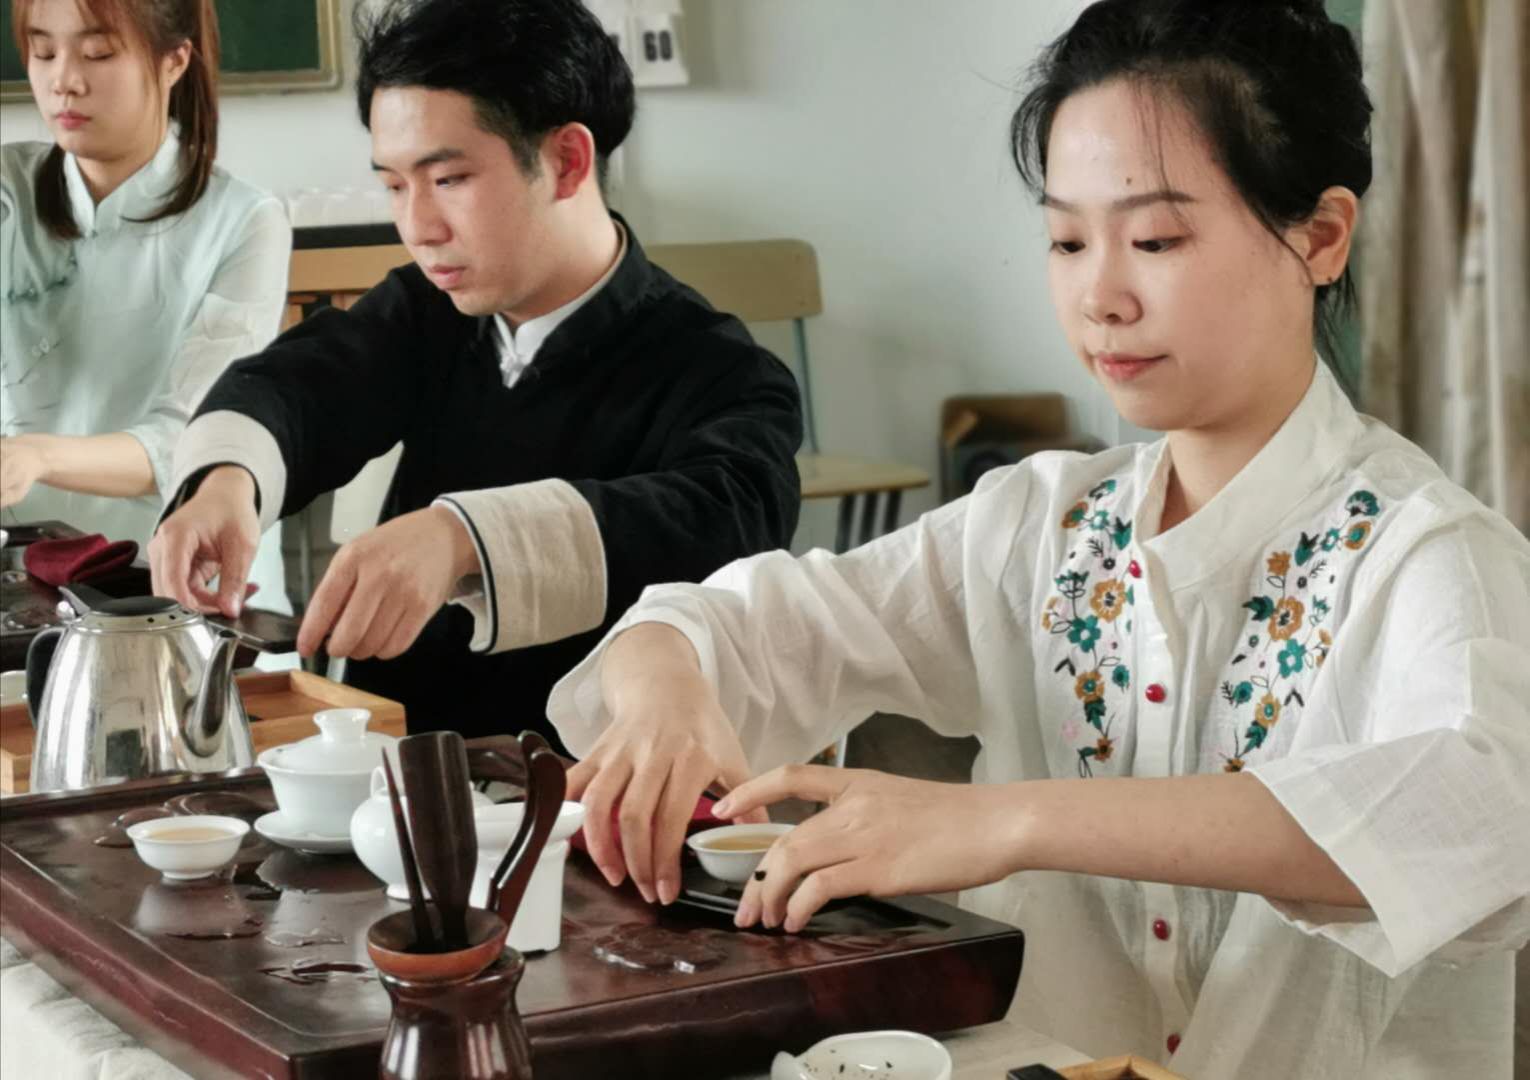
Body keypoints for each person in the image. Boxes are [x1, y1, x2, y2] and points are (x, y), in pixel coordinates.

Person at [546, 1, 1530, 1076]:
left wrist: (1010, 822)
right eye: (1066, 240)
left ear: (1322, 236)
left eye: (1155, 240)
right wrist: (667, 688)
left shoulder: (1427, 553)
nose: (1099, 295)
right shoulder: (1042, 524)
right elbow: (739, 622)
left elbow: (1484, 811)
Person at [149, 0, 801, 746]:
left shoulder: (721, 370)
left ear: (566, 161)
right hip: (391, 769)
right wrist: (227, 483)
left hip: (586, 788)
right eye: (395, 186)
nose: (418, 226)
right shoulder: (427, 313)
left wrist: (460, 538)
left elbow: (722, 520)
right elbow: (301, 385)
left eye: (450, 178)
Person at [1, 0, 291, 617]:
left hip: (174, 582)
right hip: (25, 577)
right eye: (43, 51)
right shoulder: (8, 190)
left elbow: (187, 438)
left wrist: (37, 455)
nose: (63, 80)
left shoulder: (243, 221)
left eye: (97, 53)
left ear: (174, 60)